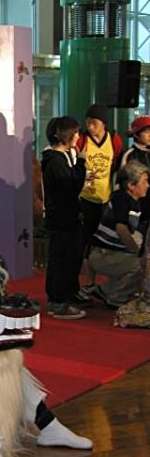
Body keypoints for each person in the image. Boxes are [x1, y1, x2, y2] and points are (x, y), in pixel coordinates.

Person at [41, 116, 87, 319]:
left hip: (66, 216)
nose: (78, 136)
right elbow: (70, 186)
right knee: (62, 259)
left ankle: (66, 296)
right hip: (62, 218)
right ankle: (58, 302)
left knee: (70, 257)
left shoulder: (59, 158)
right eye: (75, 132)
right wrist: (82, 163)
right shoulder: (55, 160)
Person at [88, 160, 149, 308]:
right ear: (131, 185)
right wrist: (137, 252)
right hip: (103, 254)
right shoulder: (121, 198)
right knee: (140, 264)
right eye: (145, 181)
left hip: (113, 253)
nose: (147, 185)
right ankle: (117, 298)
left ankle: (105, 290)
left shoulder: (136, 200)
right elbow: (121, 228)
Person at [77, 103, 123, 296]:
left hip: (105, 197)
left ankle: (108, 283)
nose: (90, 126)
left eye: (94, 122)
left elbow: (117, 165)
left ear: (103, 123)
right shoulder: (82, 140)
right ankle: (88, 282)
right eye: (87, 122)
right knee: (88, 241)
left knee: (103, 241)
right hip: (85, 198)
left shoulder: (114, 140)